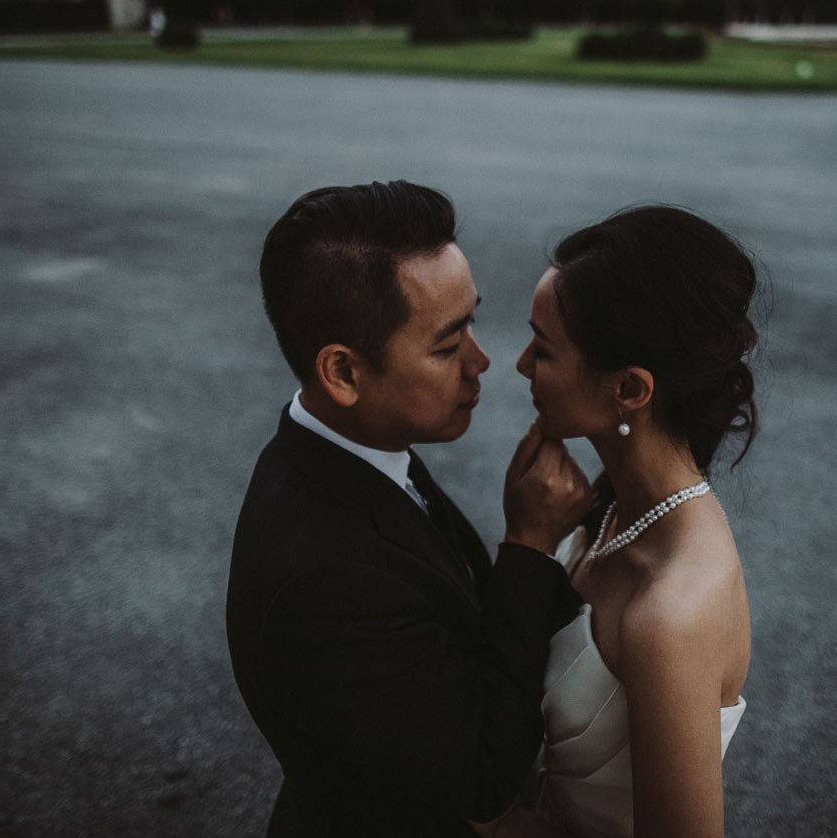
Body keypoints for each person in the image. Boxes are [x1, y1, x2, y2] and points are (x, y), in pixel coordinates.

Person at [226, 180, 590, 837]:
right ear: (342, 372)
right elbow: (482, 777)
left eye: (472, 321)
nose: (483, 362)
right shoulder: (322, 577)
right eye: (448, 346)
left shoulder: (352, 446)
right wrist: (530, 544)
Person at [490, 205, 759, 838]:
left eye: (545, 348)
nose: (522, 365)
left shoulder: (673, 612)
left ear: (631, 390)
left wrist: (496, 820)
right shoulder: (610, 511)